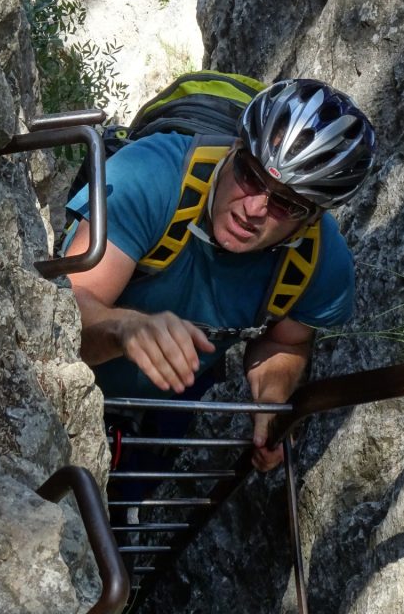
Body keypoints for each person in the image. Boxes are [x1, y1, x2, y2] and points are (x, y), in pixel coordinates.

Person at [64, 77, 376, 471]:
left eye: (286, 204)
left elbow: (287, 343)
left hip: (167, 402)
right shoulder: (151, 174)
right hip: (68, 386)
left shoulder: (322, 264)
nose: (255, 209)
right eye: (249, 174)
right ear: (235, 147)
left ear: (313, 217)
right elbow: (67, 309)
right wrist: (122, 328)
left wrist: (271, 397)